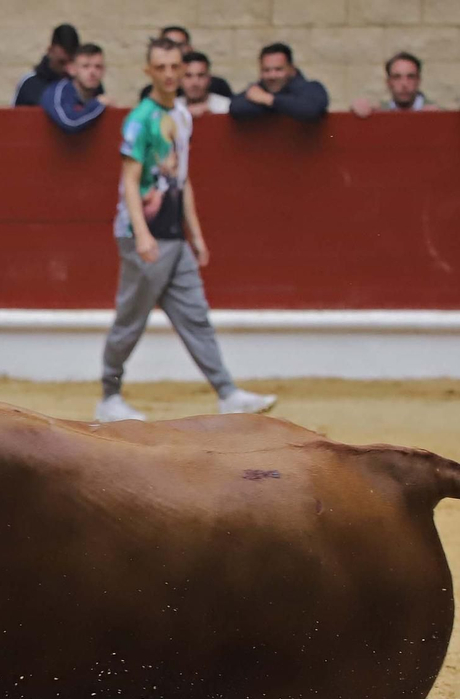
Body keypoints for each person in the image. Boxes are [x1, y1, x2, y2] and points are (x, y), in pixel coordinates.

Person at [98, 38, 276, 422]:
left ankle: (227, 393)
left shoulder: (181, 115)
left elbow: (182, 178)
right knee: (131, 320)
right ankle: (109, 397)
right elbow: (129, 182)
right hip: (141, 235)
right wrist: (142, 234)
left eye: (174, 66)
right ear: (149, 72)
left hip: (174, 236)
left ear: (183, 69)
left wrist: (195, 233)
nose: (168, 74)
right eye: (159, 67)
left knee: (195, 316)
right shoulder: (139, 119)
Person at [229, 43, 329, 122]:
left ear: (292, 69)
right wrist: (284, 106)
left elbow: (309, 110)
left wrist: (269, 100)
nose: (272, 76)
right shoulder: (257, 90)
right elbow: (237, 108)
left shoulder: (311, 88)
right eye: (266, 70)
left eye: (278, 69)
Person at [141, 26, 232, 101]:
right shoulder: (150, 92)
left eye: (180, 45)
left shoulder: (217, 86)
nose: (174, 50)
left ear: (190, 48)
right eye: (167, 46)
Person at [41, 43, 107, 133]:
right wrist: (98, 105)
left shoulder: (98, 92)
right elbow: (70, 122)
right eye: (85, 66)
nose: (92, 72)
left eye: (98, 67)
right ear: (71, 69)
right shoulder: (58, 91)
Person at [13, 23, 81, 107]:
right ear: (50, 51)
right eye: (61, 62)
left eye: (71, 62)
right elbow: (14, 117)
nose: (66, 68)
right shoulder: (29, 84)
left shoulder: (87, 83)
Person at [353, 52, 435, 116]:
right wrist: (354, 115)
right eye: (397, 77)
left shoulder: (437, 113)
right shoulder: (377, 112)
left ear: (418, 81)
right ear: (388, 82)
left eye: (410, 77)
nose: (404, 84)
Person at [181, 51, 231, 116]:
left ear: (209, 79)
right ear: (179, 80)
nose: (195, 82)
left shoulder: (226, 108)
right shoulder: (171, 108)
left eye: (201, 75)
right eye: (188, 76)